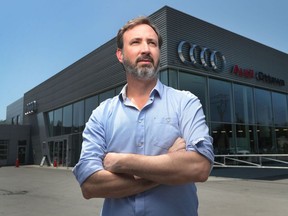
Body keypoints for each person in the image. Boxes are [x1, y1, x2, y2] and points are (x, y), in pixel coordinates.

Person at [73, 16, 214, 216]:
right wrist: (168, 163)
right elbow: (90, 186)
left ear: (158, 52)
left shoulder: (185, 103)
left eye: (152, 43)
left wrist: (122, 163)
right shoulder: (101, 115)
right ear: (120, 55)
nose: (146, 49)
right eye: (136, 42)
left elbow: (199, 168)